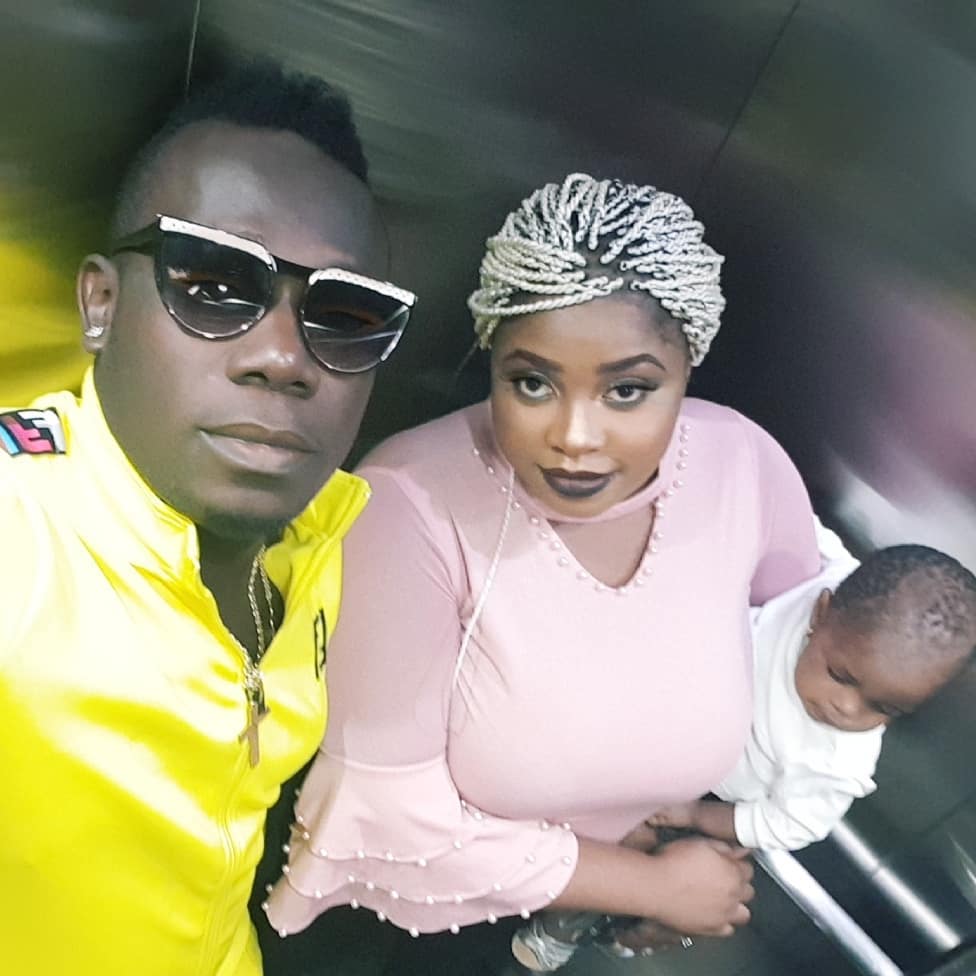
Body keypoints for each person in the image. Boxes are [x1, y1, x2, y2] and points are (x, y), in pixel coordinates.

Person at [264, 172, 831, 972]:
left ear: (687, 369)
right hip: (400, 928)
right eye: (532, 383)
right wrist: (654, 888)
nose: (574, 436)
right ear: (492, 362)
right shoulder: (407, 505)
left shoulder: (743, 465)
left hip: (575, 922)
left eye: (629, 390)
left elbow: (802, 675)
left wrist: (704, 851)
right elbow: (383, 811)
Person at [0, 62, 415, 976]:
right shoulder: (22, 532)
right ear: (101, 303)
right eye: (216, 284)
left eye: (344, 316)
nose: (284, 357)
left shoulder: (326, 534)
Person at [513, 542, 976, 970]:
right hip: (680, 729)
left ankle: (574, 926)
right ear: (821, 612)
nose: (848, 709)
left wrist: (699, 816)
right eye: (841, 676)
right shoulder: (833, 579)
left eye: (886, 708)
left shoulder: (838, 764)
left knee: (639, 848)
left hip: (718, 802)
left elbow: (794, 825)